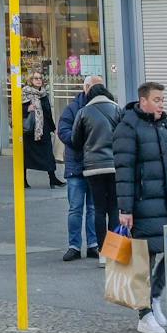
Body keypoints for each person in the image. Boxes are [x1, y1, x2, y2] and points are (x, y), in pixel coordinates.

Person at [113, 80, 167, 333]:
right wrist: (125, 209)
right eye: (157, 99)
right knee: (142, 261)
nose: (162, 104)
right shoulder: (128, 127)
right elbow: (124, 171)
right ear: (143, 101)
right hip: (141, 205)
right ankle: (144, 314)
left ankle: (154, 297)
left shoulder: (163, 126)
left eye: (163, 99)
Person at [72, 78, 122, 256]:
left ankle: (102, 252)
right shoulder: (117, 109)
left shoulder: (84, 112)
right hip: (115, 166)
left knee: (99, 209)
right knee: (114, 209)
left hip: (93, 168)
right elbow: (124, 137)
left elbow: (75, 140)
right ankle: (114, 251)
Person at [57, 78, 94, 262]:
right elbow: (63, 131)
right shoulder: (73, 108)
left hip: (95, 166)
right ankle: (74, 246)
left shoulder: (103, 106)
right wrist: (78, 140)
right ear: (85, 88)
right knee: (76, 208)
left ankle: (93, 244)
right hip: (77, 165)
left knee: (93, 208)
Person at [23, 72, 61, 188]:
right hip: (30, 130)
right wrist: (26, 109)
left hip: (43, 129)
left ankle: (52, 179)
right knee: (25, 156)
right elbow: (16, 110)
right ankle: (23, 180)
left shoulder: (43, 93)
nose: (39, 80)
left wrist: (53, 128)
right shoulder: (24, 93)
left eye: (40, 78)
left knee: (48, 154)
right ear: (31, 80)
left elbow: (48, 112)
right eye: (36, 78)